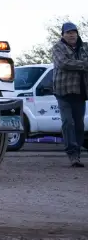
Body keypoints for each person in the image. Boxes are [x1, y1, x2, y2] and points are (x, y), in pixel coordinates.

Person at [51, 22, 88, 167]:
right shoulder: (57, 47)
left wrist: (79, 63)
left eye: (74, 32)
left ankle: (77, 153)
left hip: (80, 92)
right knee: (68, 122)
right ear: (63, 35)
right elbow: (64, 63)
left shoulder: (84, 47)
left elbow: (72, 63)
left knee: (79, 124)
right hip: (63, 91)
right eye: (68, 32)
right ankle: (72, 153)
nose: (71, 34)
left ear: (77, 34)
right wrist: (84, 64)